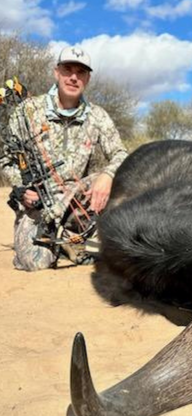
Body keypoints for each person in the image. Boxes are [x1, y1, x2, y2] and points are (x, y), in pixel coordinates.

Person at [0, 46, 128, 271]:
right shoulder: (27, 110)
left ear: (87, 78)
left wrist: (107, 176)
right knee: (34, 262)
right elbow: (6, 160)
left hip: (78, 198)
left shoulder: (97, 115)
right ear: (56, 72)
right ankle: (70, 242)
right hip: (39, 202)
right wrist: (21, 189)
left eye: (81, 73)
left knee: (114, 242)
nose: (73, 77)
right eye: (67, 70)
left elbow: (121, 154)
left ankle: (77, 239)